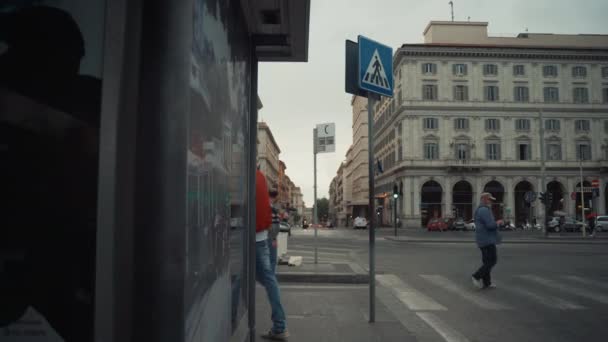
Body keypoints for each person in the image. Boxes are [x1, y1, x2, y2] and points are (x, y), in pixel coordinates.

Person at [255, 170, 289, 340]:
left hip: (252, 239)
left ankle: (231, 324)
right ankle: (280, 326)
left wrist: (273, 237)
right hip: (261, 238)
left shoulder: (245, 176)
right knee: (268, 279)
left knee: (241, 280)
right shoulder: (260, 177)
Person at [472, 192, 503, 290]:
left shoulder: (480, 210)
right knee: (492, 260)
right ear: (484, 199)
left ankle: (487, 283)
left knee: (487, 262)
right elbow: (490, 225)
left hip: (482, 239)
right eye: (490, 200)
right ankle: (476, 276)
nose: (491, 202)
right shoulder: (485, 210)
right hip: (487, 239)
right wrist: (497, 222)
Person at [268, 189, 281, 274]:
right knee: (272, 260)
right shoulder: (272, 209)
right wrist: (273, 239)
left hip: (266, 236)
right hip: (270, 238)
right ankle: (271, 279)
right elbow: (273, 225)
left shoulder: (267, 207)